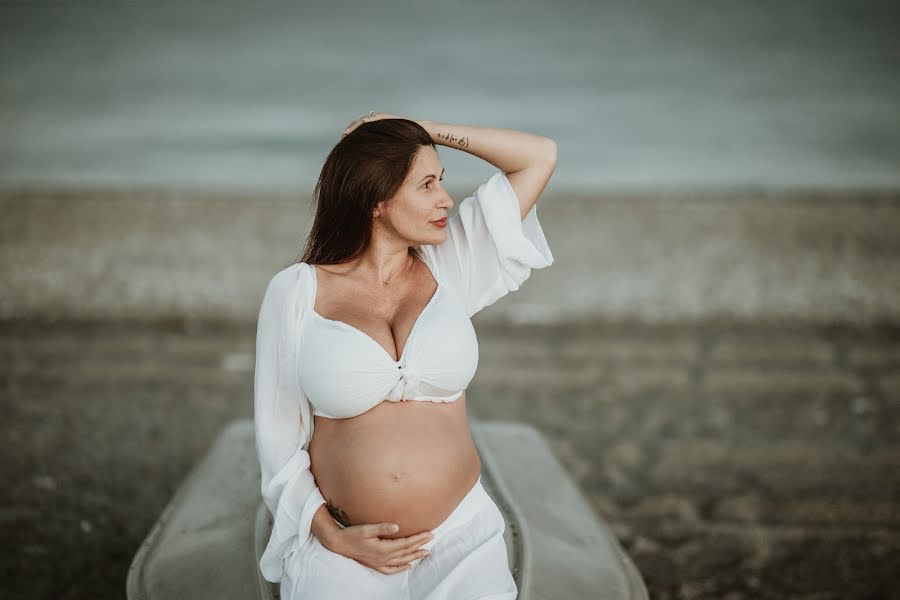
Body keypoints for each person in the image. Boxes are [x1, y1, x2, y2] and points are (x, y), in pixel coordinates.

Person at [254, 113, 556, 599]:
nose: (445, 199)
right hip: (346, 545)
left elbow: (538, 157)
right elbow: (277, 438)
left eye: (442, 181)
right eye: (428, 184)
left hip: (461, 535)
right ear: (377, 200)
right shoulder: (296, 291)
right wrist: (332, 537)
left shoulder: (452, 266)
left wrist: (417, 128)